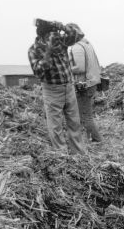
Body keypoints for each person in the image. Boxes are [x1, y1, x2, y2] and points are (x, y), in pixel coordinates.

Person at [26, 19, 88, 154]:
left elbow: (79, 34)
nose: (55, 38)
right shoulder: (33, 50)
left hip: (69, 87)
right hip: (52, 90)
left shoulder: (60, 41)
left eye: (55, 34)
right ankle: (61, 156)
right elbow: (38, 72)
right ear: (42, 37)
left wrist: (62, 27)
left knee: (74, 123)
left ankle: (78, 154)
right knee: (55, 126)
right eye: (51, 36)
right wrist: (48, 53)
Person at [69, 37, 104, 142]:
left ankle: (97, 138)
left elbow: (80, 68)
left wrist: (65, 69)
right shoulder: (87, 44)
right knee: (86, 112)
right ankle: (88, 137)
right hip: (92, 82)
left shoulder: (77, 47)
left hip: (84, 85)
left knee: (84, 115)